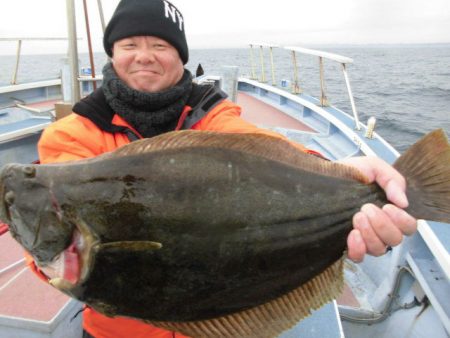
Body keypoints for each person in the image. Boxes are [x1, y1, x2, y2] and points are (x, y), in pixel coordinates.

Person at [29, 0, 417, 337]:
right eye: (129, 44)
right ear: (113, 54)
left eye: (159, 45)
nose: (143, 55)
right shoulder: (71, 135)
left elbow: (263, 149)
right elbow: (52, 234)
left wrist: (341, 174)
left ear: (180, 56)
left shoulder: (212, 116)